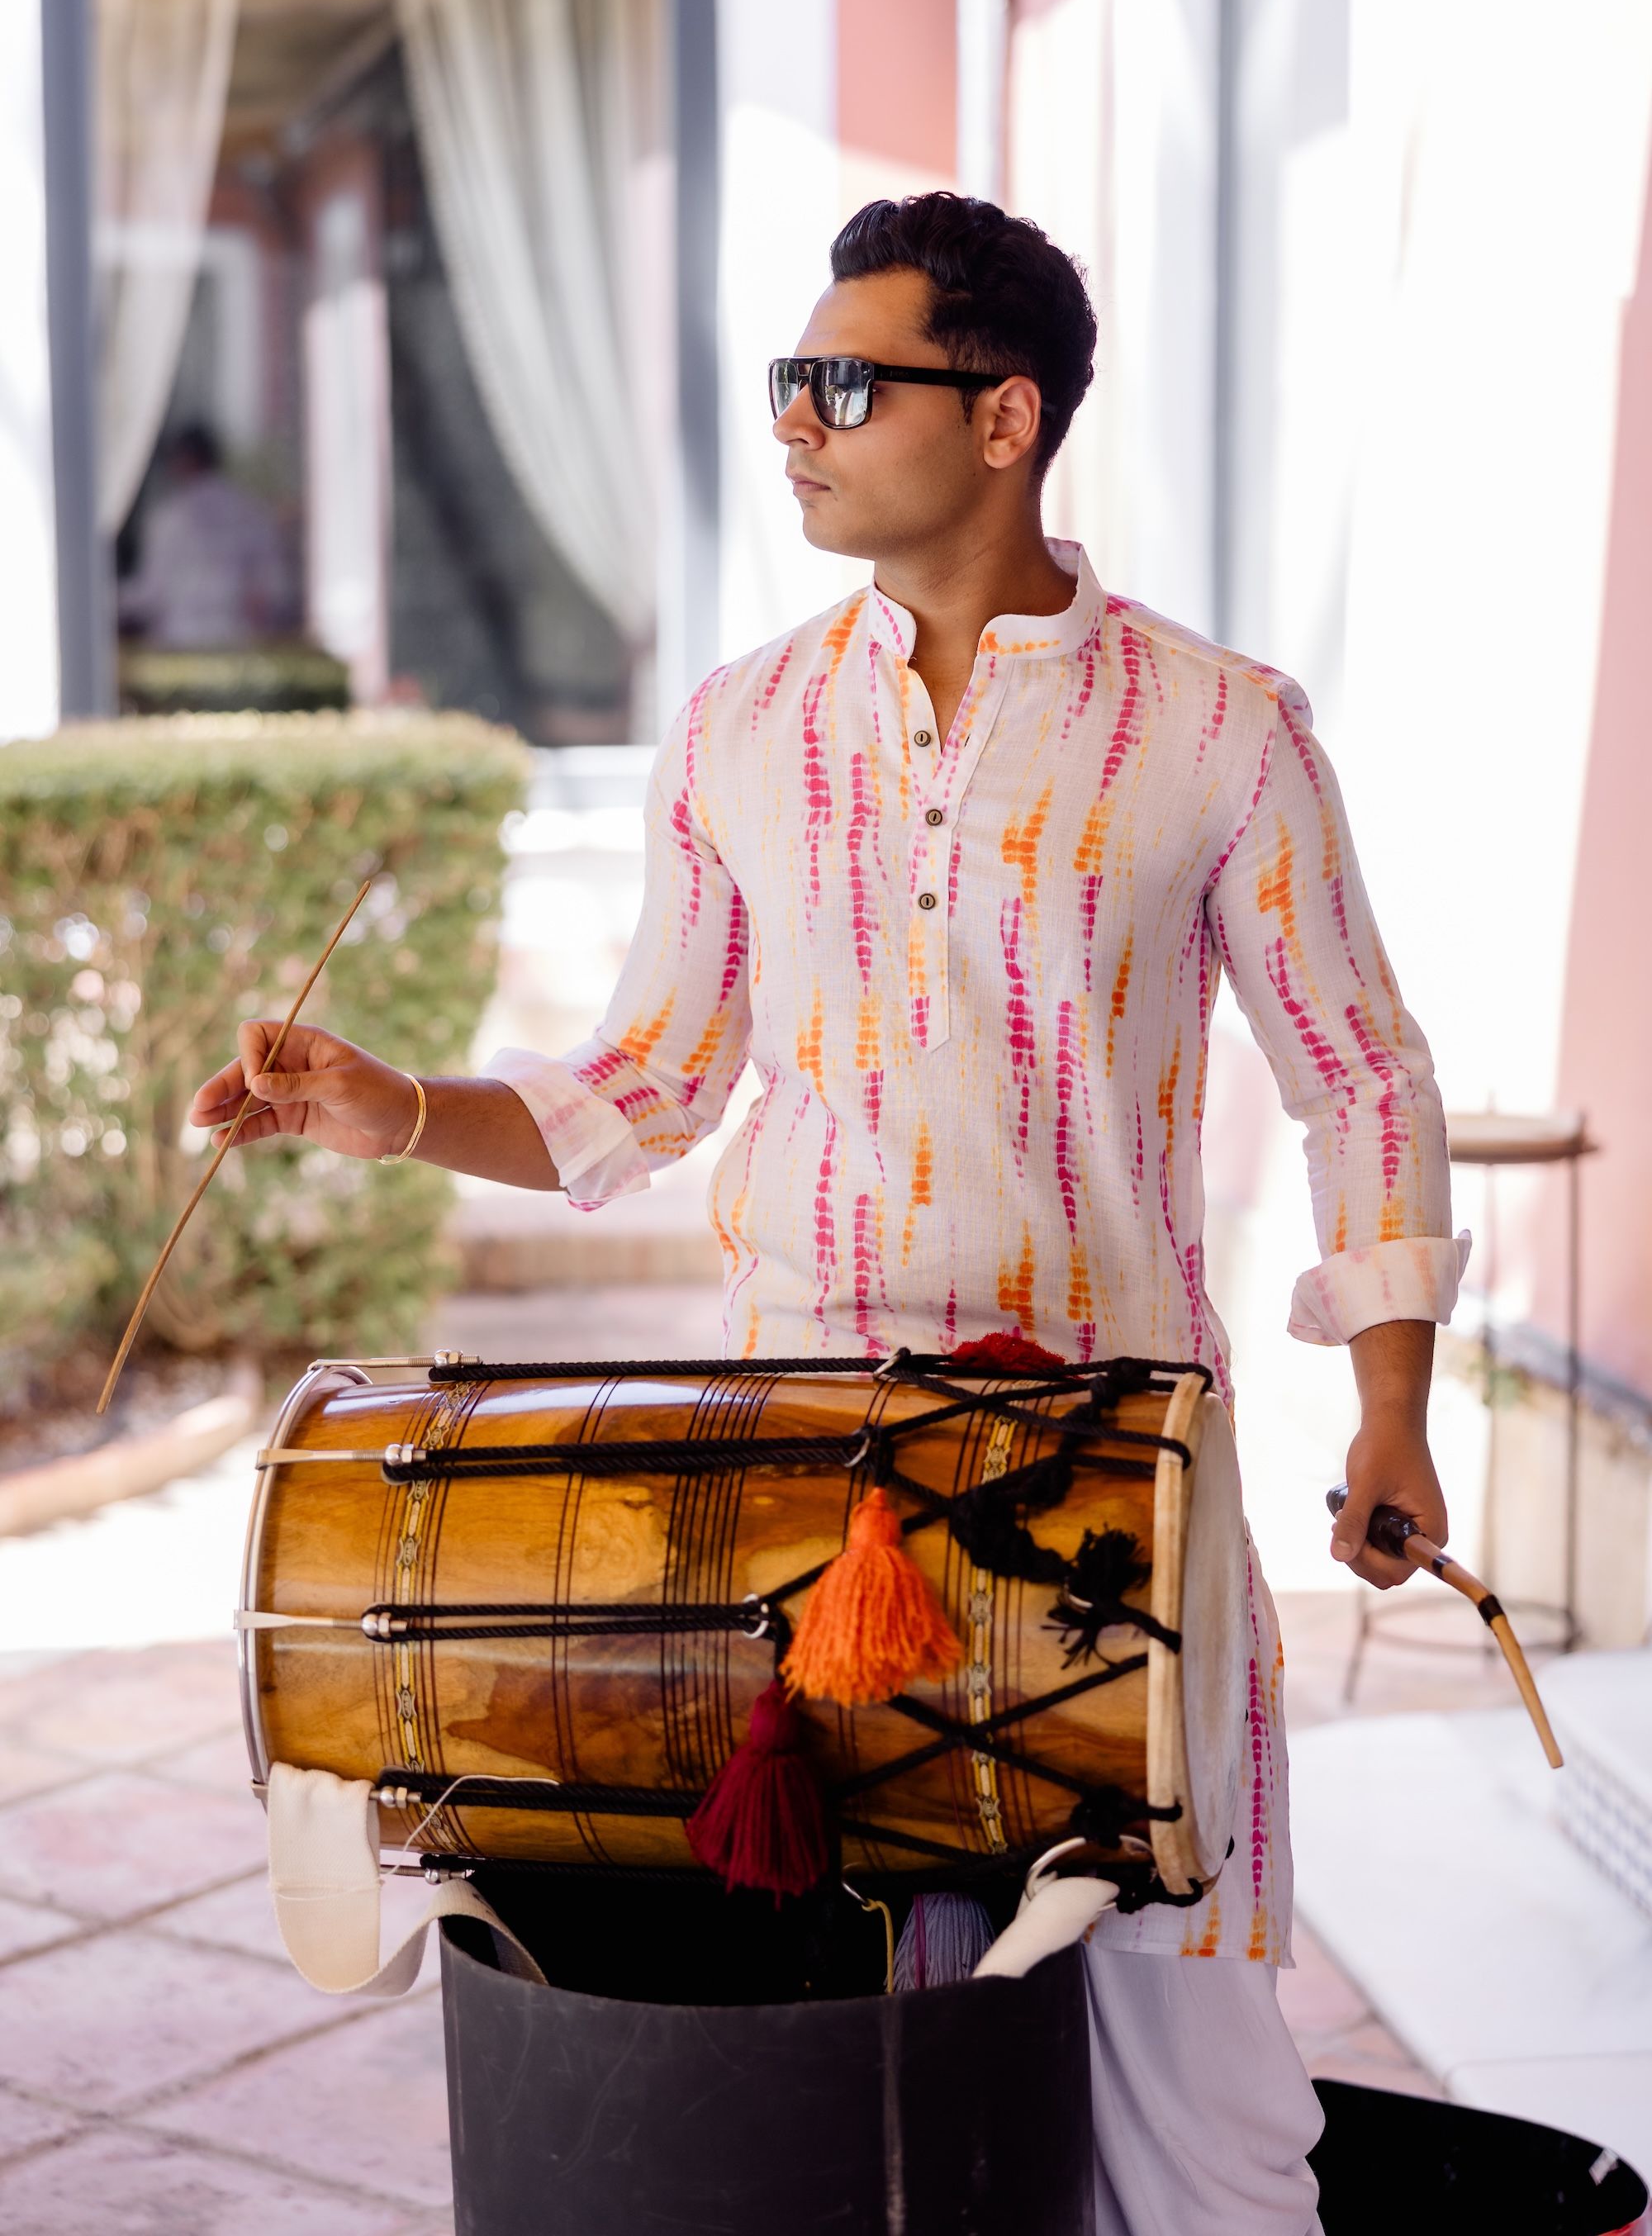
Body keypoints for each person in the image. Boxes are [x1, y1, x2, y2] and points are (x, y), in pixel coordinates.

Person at [192, 193, 1463, 2236]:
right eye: (786, 379)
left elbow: (1360, 1075)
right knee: (840, 2036)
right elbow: (651, 1081)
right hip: (796, 1470)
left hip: (1106, 1473)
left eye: (840, 381)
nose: (792, 419)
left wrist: (1386, 1405)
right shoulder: (740, 723)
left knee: (1196, 2092)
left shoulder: (1222, 728)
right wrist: (390, 1103)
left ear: (1002, 416)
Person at [122, 422, 292, 647]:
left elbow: (152, 594)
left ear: (182, 461)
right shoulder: (251, 513)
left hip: (180, 648)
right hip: (238, 648)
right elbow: (275, 589)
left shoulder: (168, 520)